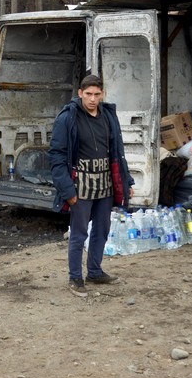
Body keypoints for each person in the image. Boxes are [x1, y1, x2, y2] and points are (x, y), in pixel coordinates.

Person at [48, 74, 134, 298]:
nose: (93, 99)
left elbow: (118, 152)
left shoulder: (108, 116)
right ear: (80, 93)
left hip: (105, 182)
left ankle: (94, 271)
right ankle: (75, 278)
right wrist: (67, 190)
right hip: (80, 185)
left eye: (97, 94)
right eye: (88, 94)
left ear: (102, 94)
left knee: (102, 229)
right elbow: (56, 156)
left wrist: (127, 182)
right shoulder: (68, 118)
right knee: (79, 233)